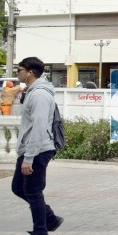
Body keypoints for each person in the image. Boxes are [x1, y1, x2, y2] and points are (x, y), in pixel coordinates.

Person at [12, 57, 64, 234]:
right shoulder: (33, 91)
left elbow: (39, 127)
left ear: (30, 72)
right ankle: (50, 218)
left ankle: (41, 230)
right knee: (18, 188)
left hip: (38, 150)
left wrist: (29, 157)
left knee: (33, 191)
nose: (17, 73)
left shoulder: (40, 94)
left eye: (19, 70)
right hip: (31, 149)